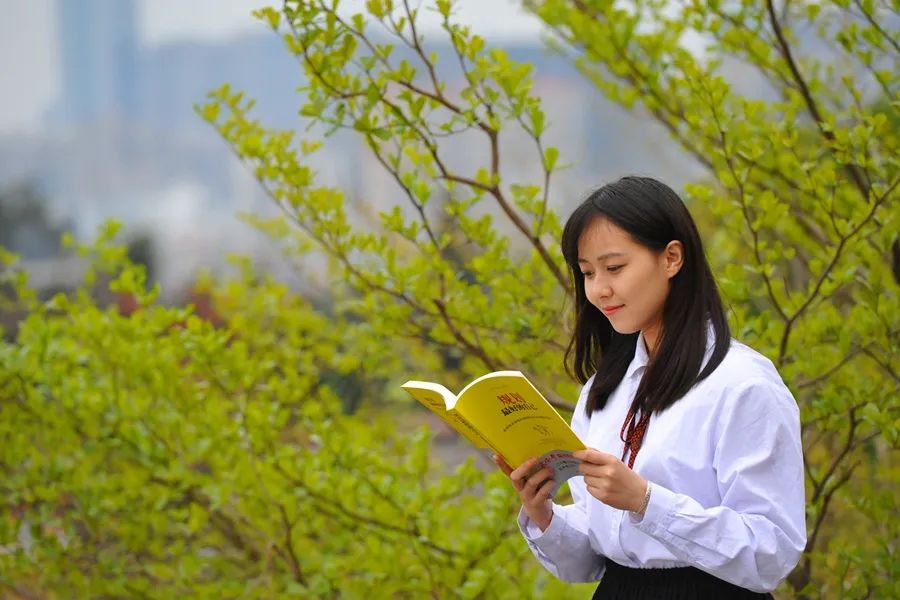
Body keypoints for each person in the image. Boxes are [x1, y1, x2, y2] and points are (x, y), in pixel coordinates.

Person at [493, 176, 806, 598]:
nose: (599, 289)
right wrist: (542, 512)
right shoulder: (603, 390)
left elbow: (770, 553)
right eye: (587, 273)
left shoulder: (742, 384)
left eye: (615, 268)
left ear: (672, 258)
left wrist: (646, 501)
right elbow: (593, 558)